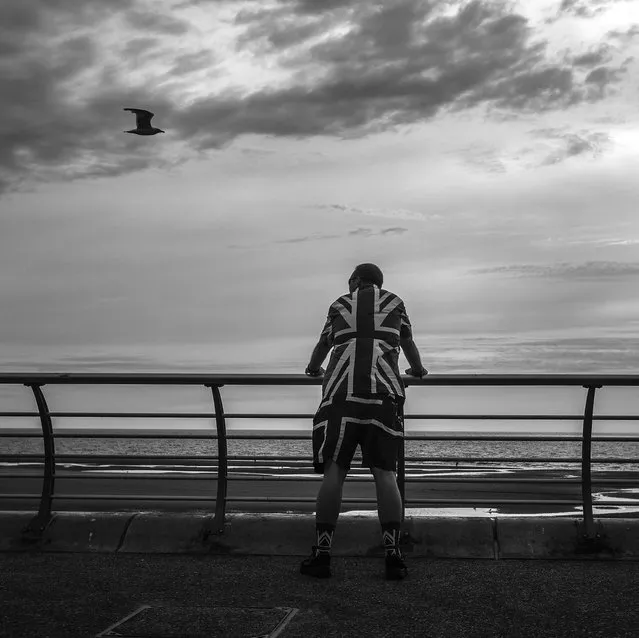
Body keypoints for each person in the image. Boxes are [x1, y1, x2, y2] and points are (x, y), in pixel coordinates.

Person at [301, 263, 427, 580]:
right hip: (383, 396)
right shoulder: (395, 302)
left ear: (356, 281)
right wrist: (418, 370)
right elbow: (407, 342)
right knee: (385, 474)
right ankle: (393, 557)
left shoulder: (340, 304)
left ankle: (322, 555)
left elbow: (324, 344)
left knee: (335, 472)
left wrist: (313, 368)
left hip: (341, 396)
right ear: (380, 284)